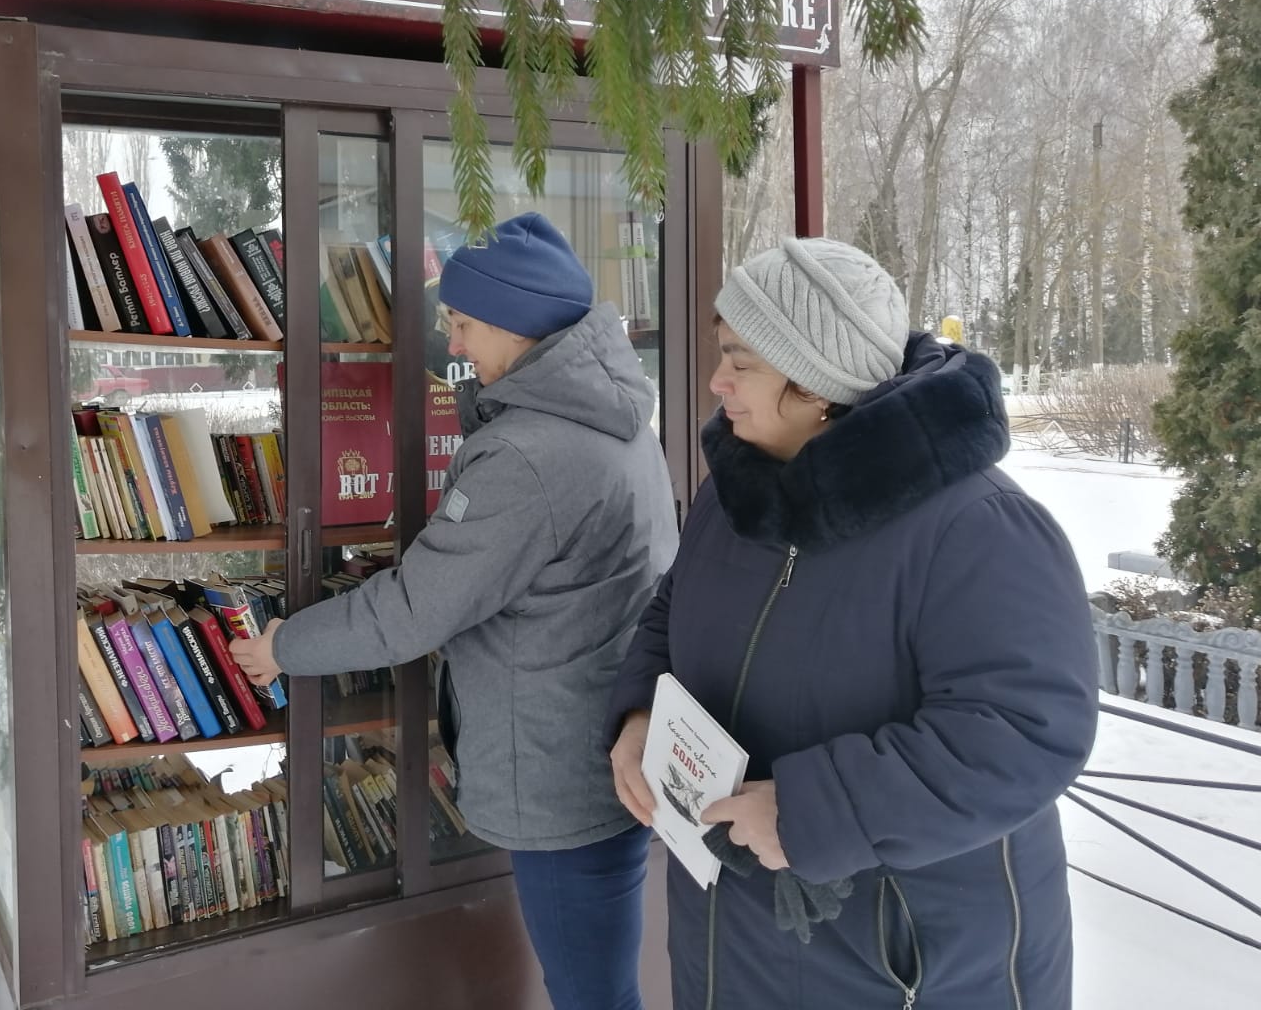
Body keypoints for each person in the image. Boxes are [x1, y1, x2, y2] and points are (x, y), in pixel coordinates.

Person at [606, 237, 1098, 1010]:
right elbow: (674, 611)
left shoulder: (980, 527)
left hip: (904, 962)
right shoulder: (737, 492)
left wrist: (810, 813)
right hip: (734, 936)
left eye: (743, 362)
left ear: (818, 385)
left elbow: (1022, 732)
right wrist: (639, 712)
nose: (716, 381)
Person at [231, 212, 678, 1010]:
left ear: (517, 323)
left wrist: (285, 647)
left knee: (590, 993)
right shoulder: (618, 420)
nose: (456, 347)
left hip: (559, 775)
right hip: (612, 746)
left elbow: (412, 610)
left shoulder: (528, 456)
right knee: (600, 981)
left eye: (463, 324)